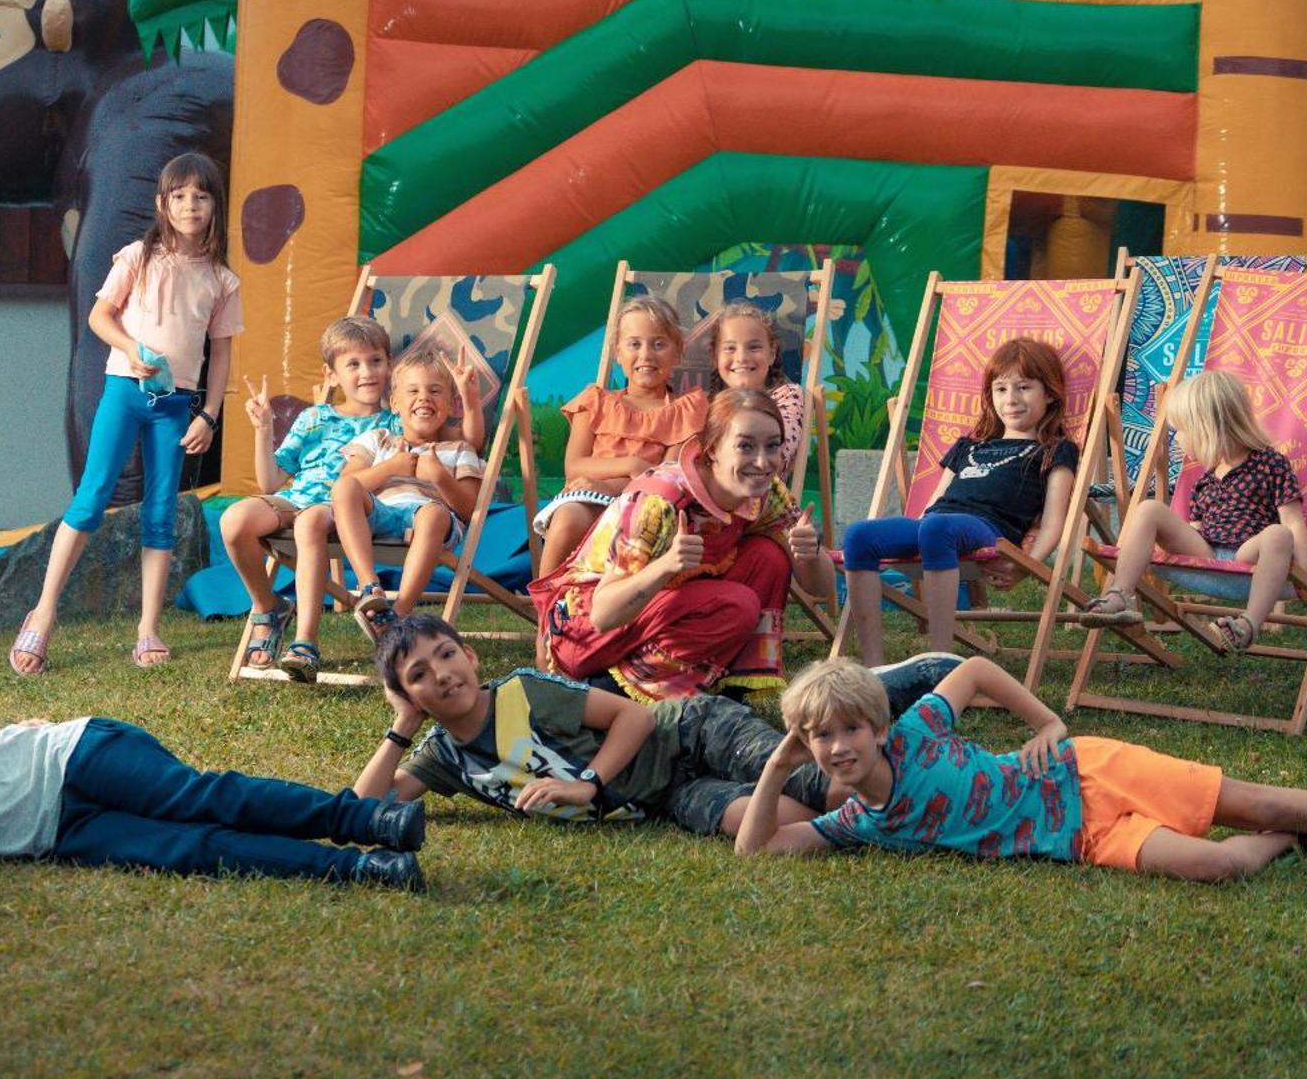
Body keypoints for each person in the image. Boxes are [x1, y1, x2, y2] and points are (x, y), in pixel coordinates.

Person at [735, 655, 1307, 877]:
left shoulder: (915, 732)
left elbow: (973, 668)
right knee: (1218, 865)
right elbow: (760, 850)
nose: (837, 747)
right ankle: (1299, 840)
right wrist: (775, 768)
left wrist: (1045, 719)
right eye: (819, 738)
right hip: (1079, 839)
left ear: (876, 727)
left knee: (1255, 802)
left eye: (849, 730)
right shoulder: (857, 822)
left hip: (1083, 773)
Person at [0, 671, 425, 891]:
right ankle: (364, 870)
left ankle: (370, 820)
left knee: (201, 796)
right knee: (196, 849)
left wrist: (27, 727)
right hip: (64, 832)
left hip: (73, 754)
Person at [355, 614, 959, 838]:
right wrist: (402, 727)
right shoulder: (445, 755)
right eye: (418, 675)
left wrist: (588, 782)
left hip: (688, 728)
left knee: (826, 781)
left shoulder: (521, 693)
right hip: (666, 796)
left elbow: (635, 715)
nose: (440, 674)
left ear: (470, 656)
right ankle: (879, 743)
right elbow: (365, 805)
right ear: (407, 694)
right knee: (794, 823)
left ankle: (887, 700)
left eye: (446, 654)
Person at [9, 152, 242, 675]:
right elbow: (99, 315)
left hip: (176, 404)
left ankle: (148, 629)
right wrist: (131, 349)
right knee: (91, 499)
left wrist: (209, 414)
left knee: (160, 512)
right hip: (124, 390)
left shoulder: (222, 280)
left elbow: (222, 353)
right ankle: (43, 614)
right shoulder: (137, 257)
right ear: (162, 203)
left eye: (201, 196)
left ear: (214, 205)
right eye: (179, 195)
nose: (190, 205)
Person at [529, 390, 833, 702]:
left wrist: (809, 554)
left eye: (772, 446)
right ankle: (611, 690)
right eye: (745, 446)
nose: (762, 461)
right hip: (583, 632)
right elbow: (602, 614)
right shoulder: (660, 502)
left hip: (656, 610)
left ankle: (731, 689)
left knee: (770, 557)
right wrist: (666, 565)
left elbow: (821, 588)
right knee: (735, 605)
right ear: (712, 449)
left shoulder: (765, 493)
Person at [839, 338, 1079, 665]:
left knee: (939, 527)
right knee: (859, 535)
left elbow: (1054, 522)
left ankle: (940, 659)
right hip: (939, 524)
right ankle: (873, 666)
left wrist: (1027, 567)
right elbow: (936, 502)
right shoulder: (970, 445)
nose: (1011, 399)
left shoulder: (1054, 450)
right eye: (1001, 389)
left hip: (989, 529)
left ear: (1049, 394)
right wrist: (918, 533)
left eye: (1024, 387)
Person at [1082, 370, 1307, 652]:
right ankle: (1120, 594)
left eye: (1181, 429)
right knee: (1149, 509)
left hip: (1249, 559)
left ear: (1208, 427)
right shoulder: (1206, 479)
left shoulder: (1271, 464)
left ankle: (1247, 625)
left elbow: (1293, 522)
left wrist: (1305, 574)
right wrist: (1157, 550)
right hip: (1207, 555)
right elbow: (1196, 531)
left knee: (1278, 534)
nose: (1176, 439)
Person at [221, 317, 395, 678]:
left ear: (388, 364)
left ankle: (306, 642)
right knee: (234, 521)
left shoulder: (394, 424)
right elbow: (271, 481)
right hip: (296, 498)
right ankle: (268, 606)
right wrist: (264, 428)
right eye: (353, 364)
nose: (367, 372)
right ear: (331, 375)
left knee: (310, 520)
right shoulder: (314, 417)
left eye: (375, 360)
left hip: (342, 510)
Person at [533, 295, 709, 577]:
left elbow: (668, 480)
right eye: (634, 344)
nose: (646, 355)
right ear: (618, 352)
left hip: (644, 509)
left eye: (659, 344)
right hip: (588, 501)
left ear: (678, 351)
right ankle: (545, 607)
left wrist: (612, 485)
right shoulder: (595, 402)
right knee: (567, 519)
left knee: (639, 522)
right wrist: (631, 466)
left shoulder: (685, 410)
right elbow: (574, 467)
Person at [331, 352, 485, 644]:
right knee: (344, 489)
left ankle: (398, 616)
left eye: (435, 391)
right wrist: (390, 468)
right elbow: (346, 485)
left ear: (451, 405)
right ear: (395, 403)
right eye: (413, 391)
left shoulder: (459, 448)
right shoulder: (378, 439)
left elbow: (469, 509)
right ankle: (370, 588)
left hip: (431, 522)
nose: (424, 398)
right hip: (380, 514)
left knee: (433, 513)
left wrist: (440, 477)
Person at [710, 300, 805, 463]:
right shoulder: (709, 404)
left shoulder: (787, 397)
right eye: (730, 348)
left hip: (759, 483)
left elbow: (776, 457)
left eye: (754, 347)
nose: (742, 358)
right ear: (715, 356)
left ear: (772, 354)